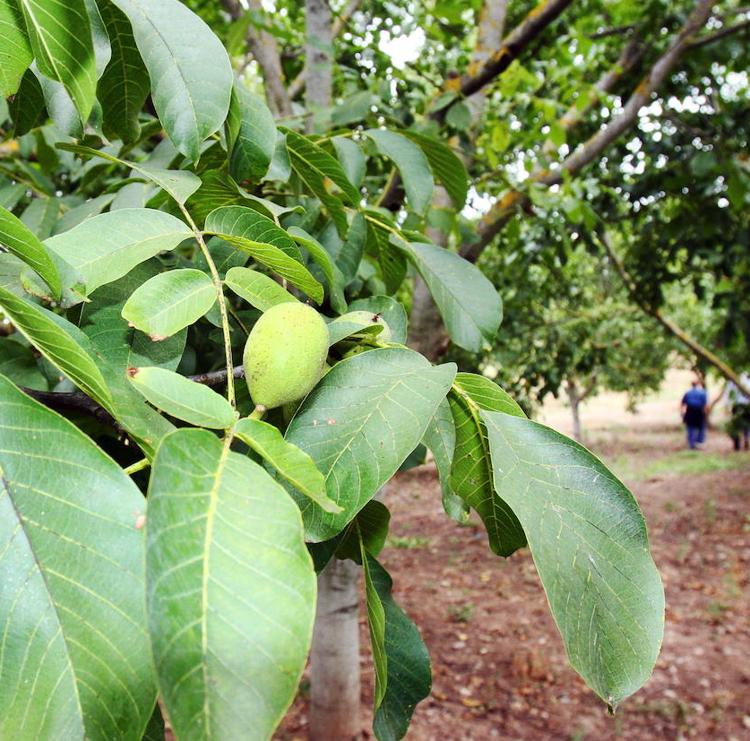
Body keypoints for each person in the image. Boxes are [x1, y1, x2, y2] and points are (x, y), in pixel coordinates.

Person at [681, 379, 708, 450]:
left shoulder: (688, 393)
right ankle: (699, 441)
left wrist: (682, 414)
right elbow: (705, 404)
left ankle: (691, 444)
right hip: (699, 412)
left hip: (690, 412)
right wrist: (705, 414)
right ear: (698, 384)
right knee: (701, 427)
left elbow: (683, 404)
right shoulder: (702, 393)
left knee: (690, 428)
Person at [725, 373, 750, 451]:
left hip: (737, 406)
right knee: (747, 424)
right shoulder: (748, 381)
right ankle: (746, 437)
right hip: (747, 405)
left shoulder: (732, 382)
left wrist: (727, 406)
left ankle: (737, 445)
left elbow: (728, 395)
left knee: (736, 426)